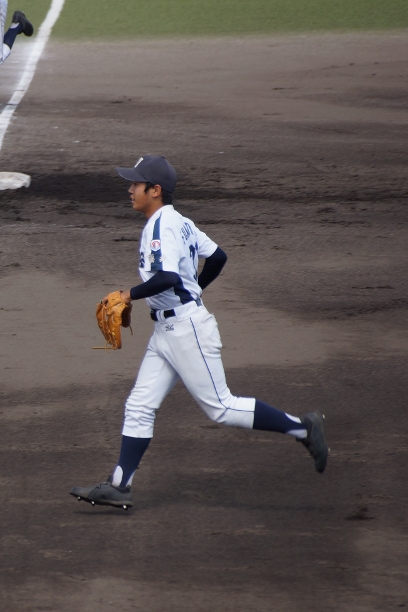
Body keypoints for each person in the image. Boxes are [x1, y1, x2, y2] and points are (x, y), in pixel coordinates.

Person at [70, 155, 327, 510]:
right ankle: (120, 485)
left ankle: (303, 427)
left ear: (155, 190)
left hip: (186, 331)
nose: (130, 189)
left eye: (136, 184)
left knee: (221, 407)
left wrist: (129, 294)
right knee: (140, 405)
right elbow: (218, 257)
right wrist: (193, 291)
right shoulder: (181, 222)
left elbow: (169, 278)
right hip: (168, 330)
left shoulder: (161, 226)